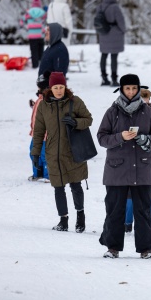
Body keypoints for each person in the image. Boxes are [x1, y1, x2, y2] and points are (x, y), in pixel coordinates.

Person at [97, 74, 151, 260]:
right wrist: (120, 137)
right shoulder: (112, 112)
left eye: (134, 88)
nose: (131, 92)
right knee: (114, 210)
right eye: (128, 88)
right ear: (122, 89)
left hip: (142, 169)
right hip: (116, 170)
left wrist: (146, 140)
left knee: (143, 210)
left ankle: (146, 249)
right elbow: (101, 138)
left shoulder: (148, 112)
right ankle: (112, 247)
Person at [32, 72, 93, 233]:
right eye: (55, 87)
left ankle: (80, 217)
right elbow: (38, 131)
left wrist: (75, 122)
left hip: (73, 151)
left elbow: (88, 119)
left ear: (65, 87)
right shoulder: (44, 105)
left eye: (61, 87)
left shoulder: (75, 102)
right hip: (53, 153)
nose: (59, 90)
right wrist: (36, 153)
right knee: (58, 187)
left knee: (75, 184)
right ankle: (63, 220)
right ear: (50, 88)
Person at [124, 87, 151, 233]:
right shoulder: (126, 116)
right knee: (130, 194)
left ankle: (147, 223)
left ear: (149, 100)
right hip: (131, 161)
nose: (143, 102)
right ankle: (127, 222)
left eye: (146, 99)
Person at [97, 0, 127, 87]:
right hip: (115, 34)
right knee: (114, 56)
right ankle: (114, 79)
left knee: (104, 55)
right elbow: (121, 22)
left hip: (103, 33)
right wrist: (123, 31)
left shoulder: (100, 6)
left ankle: (104, 78)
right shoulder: (115, 7)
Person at [28, 76, 50, 183]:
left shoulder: (47, 100)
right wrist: (34, 106)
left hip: (45, 135)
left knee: (45, 155)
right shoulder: (40, 99)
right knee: (33, 153)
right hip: (36, 134)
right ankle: (37, 173)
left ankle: (48, 175)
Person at [20, 0, 46, 68]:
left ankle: (35, 65)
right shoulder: (43, 13)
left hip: (32, 35)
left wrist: (24, 26)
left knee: (33, 50)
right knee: (40, 49)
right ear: (39, 4)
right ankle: (41, 63)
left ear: (33, 4)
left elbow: (22, 21)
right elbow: (45, 22)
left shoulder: (28, 13)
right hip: (40, 35)